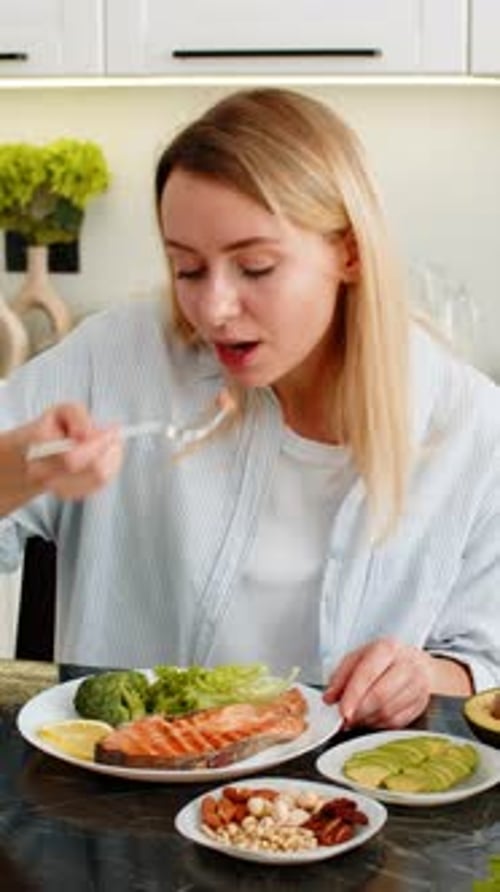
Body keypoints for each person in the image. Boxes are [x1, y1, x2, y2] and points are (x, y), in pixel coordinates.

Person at [1, 87, 499, 730]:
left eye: (255, 267)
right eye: (187, 269)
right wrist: (24, 464)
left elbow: (483, 660)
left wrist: (418, 677)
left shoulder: (473, 429)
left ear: (348, 251)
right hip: (124, 803)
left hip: (336, 813)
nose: (213, 309)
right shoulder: (119, 355)